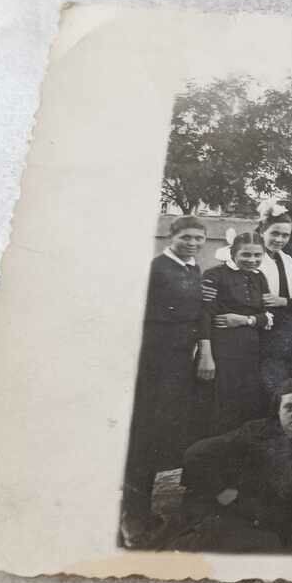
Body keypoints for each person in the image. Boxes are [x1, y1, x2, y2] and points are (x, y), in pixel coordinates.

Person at [170, 377, 292, 553]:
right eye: (289, 407)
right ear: (277, 409)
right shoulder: (254, 433)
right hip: (242, 514)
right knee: (268, 547)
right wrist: (221, 491)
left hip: (284, 518)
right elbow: (195, 454)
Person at [122, 216, 207, 547]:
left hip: (180, 362)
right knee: (145, 435)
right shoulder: (156, 269)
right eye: (187, 236)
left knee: (166, 433)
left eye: (199, 238)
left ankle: (149, 511)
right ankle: (133, 517)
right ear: (171, 236)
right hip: (155, 362)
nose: (194, 242)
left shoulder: (193, 268)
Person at [196, 232, 274, 435]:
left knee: (247, 403)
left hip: (252, 350)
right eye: (246, 255)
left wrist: (246, 320)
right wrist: (206, 356)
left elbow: (267, 316)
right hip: (223, 349)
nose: (252, 260)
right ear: (232, 253)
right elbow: (204, 315)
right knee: (222, 403)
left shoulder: (259, 277)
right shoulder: (214, 275)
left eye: (258, 255)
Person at [257, 212, 292, 395]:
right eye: (274, 233)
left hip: (285, 328)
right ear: (262, 231)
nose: (279, 239)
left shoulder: (288, 259)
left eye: (285, 235)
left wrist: (288, 300)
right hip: (263, 327)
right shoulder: (256, 258)